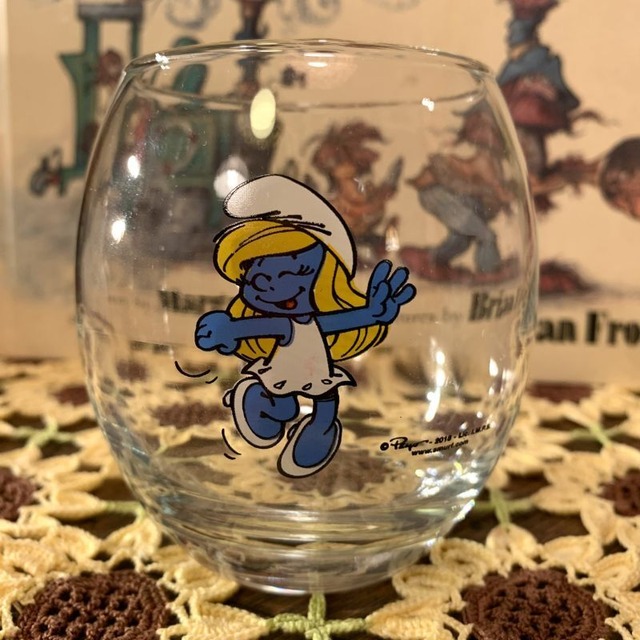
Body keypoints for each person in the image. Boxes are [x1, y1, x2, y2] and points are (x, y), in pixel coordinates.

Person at [195, 174, 415, 477]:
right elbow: (254, 328)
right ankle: (264, 405)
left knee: (325, 408)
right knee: (281, 397)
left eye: (294, 274)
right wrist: (229, 330)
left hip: (318, 375)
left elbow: (341, 321)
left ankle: (318, 433)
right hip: (283, 372)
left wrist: (372, 314)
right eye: (259, 280)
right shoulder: (285, 326)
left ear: (323, 279)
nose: (274, 288)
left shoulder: (311, 321)